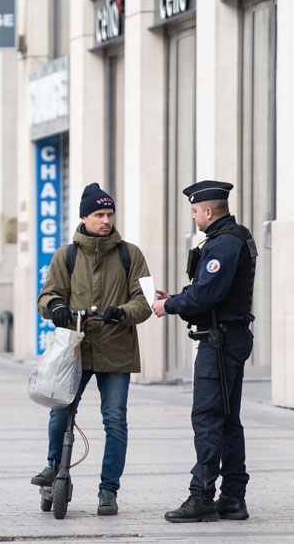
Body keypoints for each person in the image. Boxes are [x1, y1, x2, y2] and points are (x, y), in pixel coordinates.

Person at [32, 183, 151, 516]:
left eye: (110, 214)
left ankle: (108, 491)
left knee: (115, 421)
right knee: (60, 410)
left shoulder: (131, 254)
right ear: (84, 217)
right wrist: (56, 307)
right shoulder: (66, 256)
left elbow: (145, 301)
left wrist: (122, 312)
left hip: (117, 351)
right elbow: (46, 296)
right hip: (77, 349)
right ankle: (54, 466)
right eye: (99, 214)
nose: (106, 221)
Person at [152, 180, 256, 523]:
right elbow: (209, 293)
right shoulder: (230, 239)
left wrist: (170, 306)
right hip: (227, 336)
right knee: (226, 419)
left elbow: (206, 296)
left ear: (208, 211)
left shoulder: (224, 244)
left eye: (196, 211)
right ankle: (233, 498)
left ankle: (202, 497)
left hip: (221, 342)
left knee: (209, 418)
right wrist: (178, 299)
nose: (194, 217)